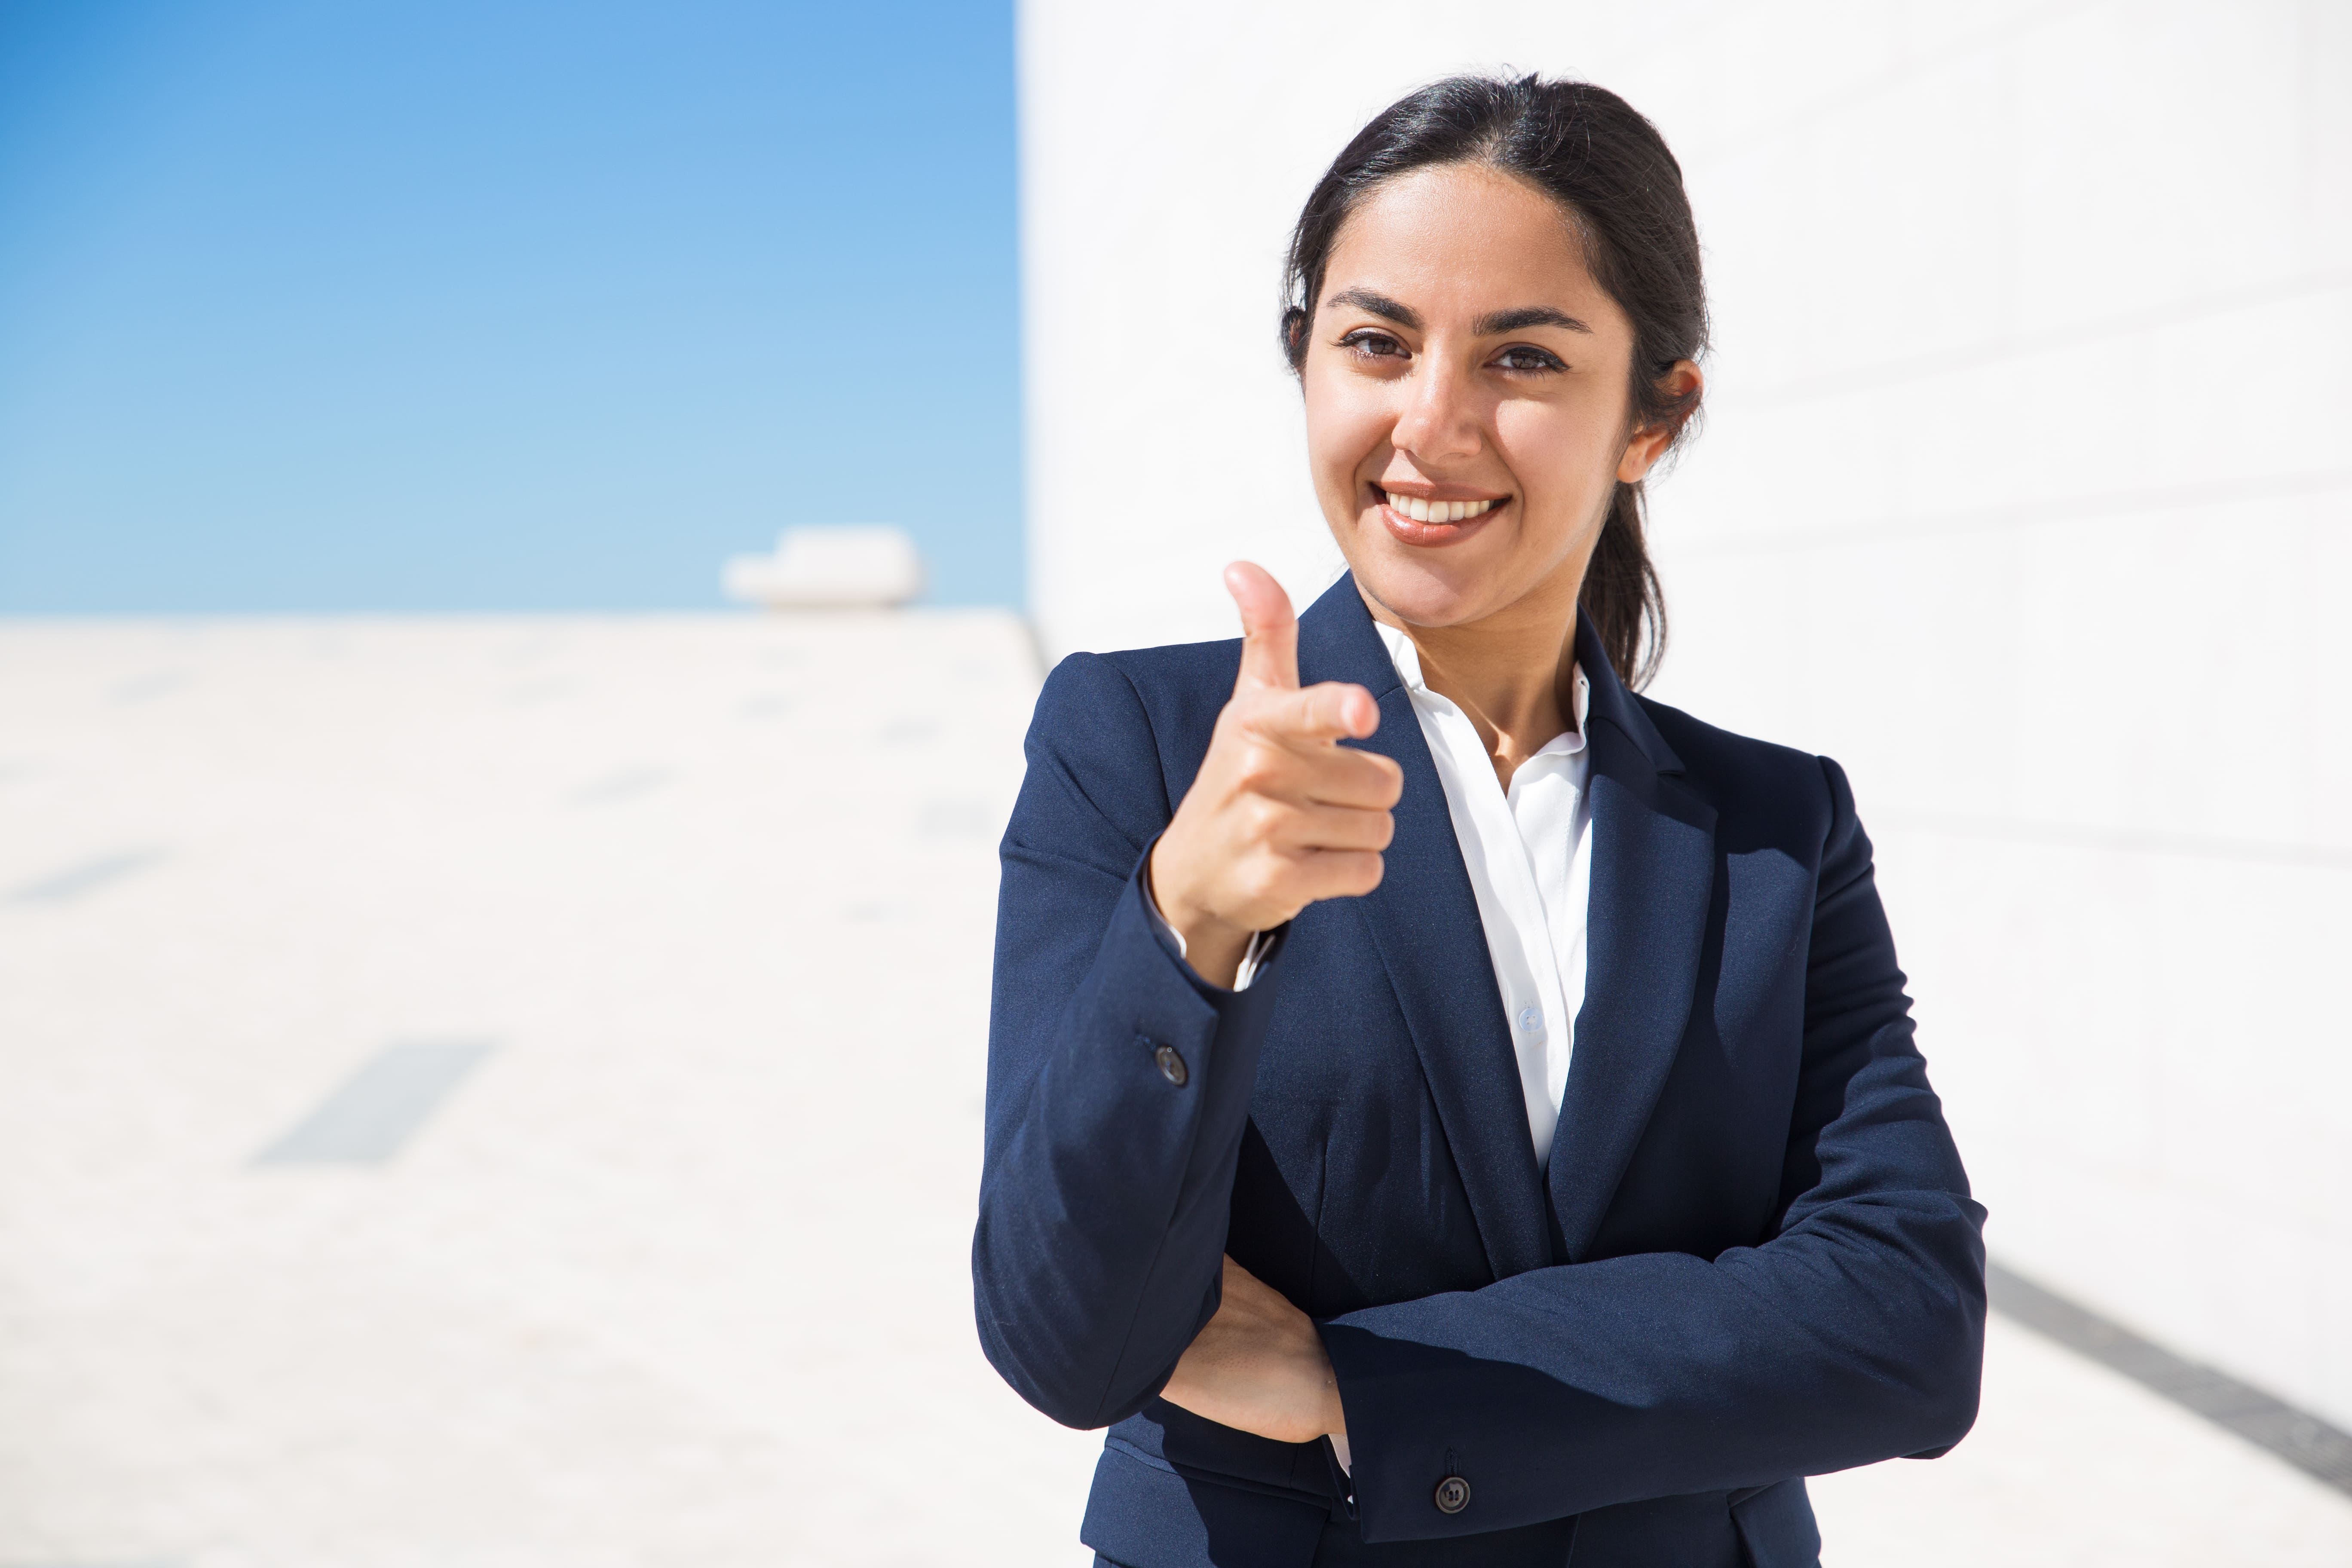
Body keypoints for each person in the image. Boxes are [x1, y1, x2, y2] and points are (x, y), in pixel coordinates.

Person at [974, 74, 1984, 1568]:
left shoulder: (1776, 828)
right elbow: (1069, 1338)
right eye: (1375, 343)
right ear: (1307, 360)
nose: (1429, 428)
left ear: (1656, 415)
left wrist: (1359, 1384)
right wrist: (1187, 927)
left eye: (1521, 357)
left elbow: (1909, 1322)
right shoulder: (1141, 748)